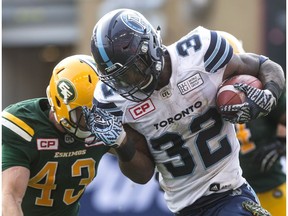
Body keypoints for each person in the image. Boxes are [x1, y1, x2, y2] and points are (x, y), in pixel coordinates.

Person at [86, 8, 285, 216]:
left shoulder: (199, 53)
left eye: (134, 70)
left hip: (229, 194)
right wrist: (121, 144)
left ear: (150, 46)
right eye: (121, 79)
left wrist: (269, 94)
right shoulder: (112, 100)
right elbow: (143, 174)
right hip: (184, 208)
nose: (130, 83)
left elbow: (265, 65)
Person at [2, 54, 154, 216]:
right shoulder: (24, 126)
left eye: (98, 108)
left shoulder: (105, 121)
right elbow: (9, 196)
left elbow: (144, 175)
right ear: (60, 103)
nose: (93, 119)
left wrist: (122, 142)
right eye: (83, 112)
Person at [219, 31, 286, 216]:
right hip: (225, 198)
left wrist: (281, 144)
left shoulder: (261, 87)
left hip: (267, 185)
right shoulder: (200, 99)